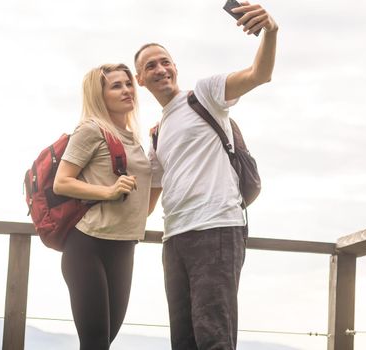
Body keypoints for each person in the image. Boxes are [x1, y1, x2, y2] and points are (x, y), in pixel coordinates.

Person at [135, 2, 278, 350]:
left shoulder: (206, 94)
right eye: (149, 65)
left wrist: (271, 32)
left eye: (165, 61)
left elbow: (260, 74)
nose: (160, 68)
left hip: (216, 228)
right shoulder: (156, 134)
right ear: (140, 79)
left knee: (214, 337)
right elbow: (145, 207)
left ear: (175, 67)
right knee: (183, 341)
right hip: (175, 239)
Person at [53, 63, 152, 350]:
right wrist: (108, 192)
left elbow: (144, 197)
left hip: (124, 246)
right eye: (116, 86)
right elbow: (62, 182)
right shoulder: (91, 130)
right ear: (100, 95)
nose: (127, 90)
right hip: (87, 246)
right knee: (95, 343)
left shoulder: (134, 139)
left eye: (128, 83)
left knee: (104, 342)